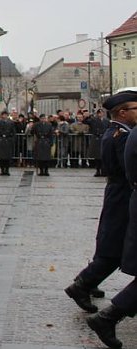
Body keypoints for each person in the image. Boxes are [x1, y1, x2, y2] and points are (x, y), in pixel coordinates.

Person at [67, 90, 137, 316]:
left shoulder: (116, 132)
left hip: (119, 192)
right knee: (114, 246)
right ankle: (83, 284)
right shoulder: (122, 135)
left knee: (114, 244)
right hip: (123, 195)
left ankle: (87, 282)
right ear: (123, 112)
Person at [0, 110, 16, 175]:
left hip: (8, 140)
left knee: (7, 158)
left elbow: (13, 132)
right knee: (2, 158)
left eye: (6, 115)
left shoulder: (11, 122)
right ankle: (2, 170)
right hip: (1, 140)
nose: (4, 116)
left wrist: (12, 139)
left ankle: (7, 170)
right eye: (3, 115)